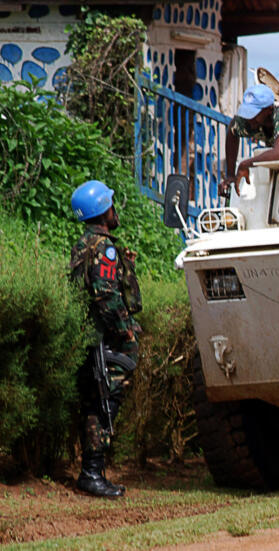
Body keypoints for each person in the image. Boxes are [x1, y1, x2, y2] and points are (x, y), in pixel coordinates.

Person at [69, 180, 142, 497]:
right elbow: (105, 295)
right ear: (103, 210)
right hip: (106, 340)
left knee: (96, 402)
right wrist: (125, 329)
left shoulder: (82, 246)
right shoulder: (105, 249)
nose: (115, 210)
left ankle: (93, 471)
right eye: (111, 205)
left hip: (89, 337)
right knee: (104, 403)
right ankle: (92, 473)